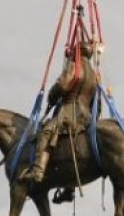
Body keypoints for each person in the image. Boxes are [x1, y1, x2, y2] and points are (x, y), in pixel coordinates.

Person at [21, 38, 103, 185]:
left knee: (45, 132)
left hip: (70, 110)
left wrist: (52, 96)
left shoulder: (74, 67)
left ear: (77, 52)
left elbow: (62, 85)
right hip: (87, 115)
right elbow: (97, 100)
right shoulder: (94, 74)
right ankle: (68, 187)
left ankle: (38, 170)